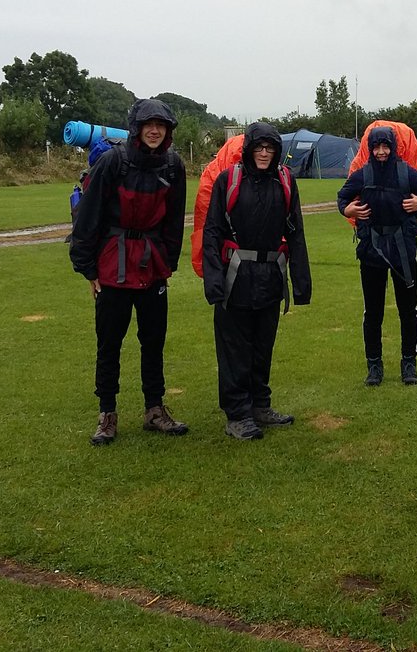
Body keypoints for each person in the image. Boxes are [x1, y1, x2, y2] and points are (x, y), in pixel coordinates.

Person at [69, 98, 189, 446]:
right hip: (112, 265)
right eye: (149, 124)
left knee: (153, 341)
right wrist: (88, 268)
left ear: (167, 131)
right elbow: (89, 217)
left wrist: (167, 262)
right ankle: (107, 414)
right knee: (109, 343)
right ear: (137, 128)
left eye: (161, 125)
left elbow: (173, 220)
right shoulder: (112, 162)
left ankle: (154, 409)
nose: (155, 130)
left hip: (152, 265)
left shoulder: (172, 166)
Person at [200, 123, 311, 441]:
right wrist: (213, 281)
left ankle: (260, 405)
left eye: (270, 148)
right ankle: (237, 413)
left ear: (276, 150)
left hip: (270, 276)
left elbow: (296, 232)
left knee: (263, 346)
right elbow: (212, 232)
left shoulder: (286, 181)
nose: (264, 153)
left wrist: (301, 282)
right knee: (234, 349)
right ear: (248, 149)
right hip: (235, 276)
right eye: (259, 147)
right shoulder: (228, 181)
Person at [336, 126, 417, 386]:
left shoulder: (407, 172)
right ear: (370, 148)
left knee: (407, 309)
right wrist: (348, 210)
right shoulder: (362, 174)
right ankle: (374, 366)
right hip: (372, 251)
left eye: (385, 146)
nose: (381, 152)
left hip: (403, 250)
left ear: (393, 147)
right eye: (376, 147)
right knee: (373, 312)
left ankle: (408, 363)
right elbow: (342, 197)